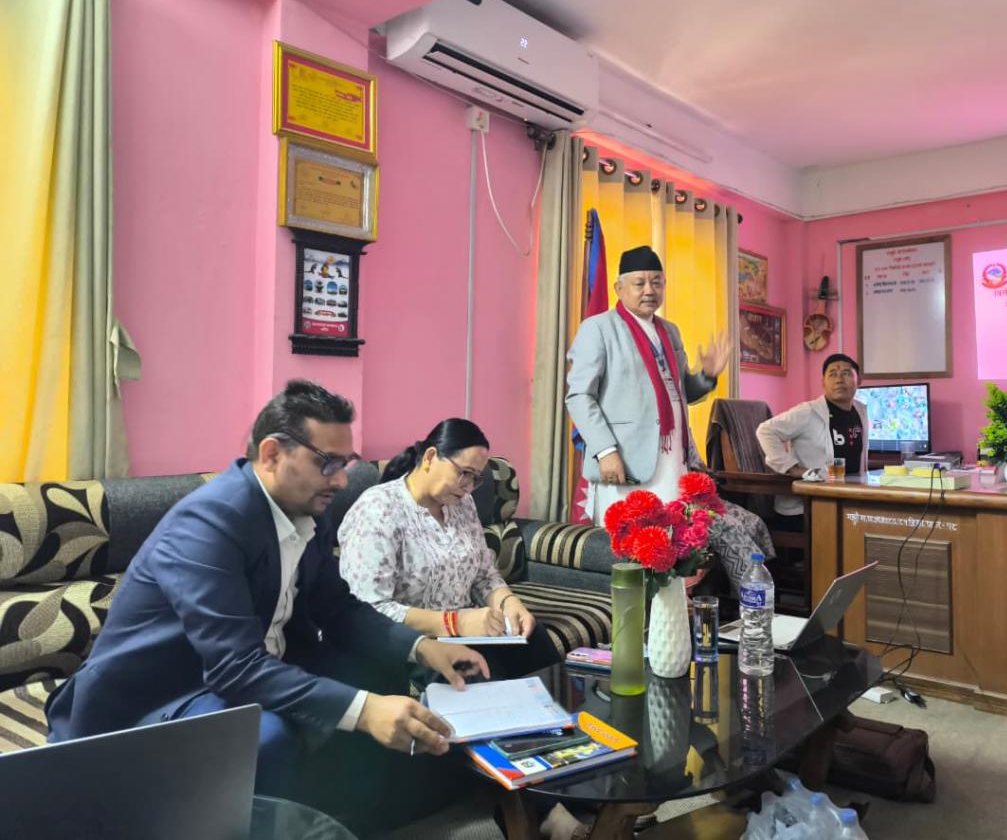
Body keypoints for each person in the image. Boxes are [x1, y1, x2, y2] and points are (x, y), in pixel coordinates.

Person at [46, 380, 488, 830]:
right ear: (272, 453)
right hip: (165, 692)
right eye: (328, 463)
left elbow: (338, 608)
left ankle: (348, 820)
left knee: (378, 671)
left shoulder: (310, 507)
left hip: (256, 667)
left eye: (346, 464)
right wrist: (365, 711)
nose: (340, 480)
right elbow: (234, 668)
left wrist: (420, 647)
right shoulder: (209, 523)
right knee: (266, 735)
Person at [338, 418, 560, 679]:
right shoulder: (378, 510)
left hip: (468, 633)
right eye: (464, 473)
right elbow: (369, 609)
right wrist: (455, 623)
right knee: (478, 674)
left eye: (475, 478)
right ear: (430, 457)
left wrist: (508, 603)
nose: (468, 487)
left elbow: (483, 575)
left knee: (535, 639)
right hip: (414, 643)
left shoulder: (462, 504)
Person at [566, 244, 730, 524]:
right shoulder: (599, 328)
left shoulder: (670, 331)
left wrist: (707, 375)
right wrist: (605, 451)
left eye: (656, 282)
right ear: (619, 288)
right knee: (628, 542)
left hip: (672, 458)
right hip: (624, 460)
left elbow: (678, 392)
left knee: (671, 537)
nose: (649, 290)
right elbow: (579, 396)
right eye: (639, 283)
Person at [756, 353, 870, 531]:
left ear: (859, 381)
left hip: (847, 499)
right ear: (823, 383)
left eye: (846, 373)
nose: (839, 379)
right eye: (832, 374)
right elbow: (765, 430)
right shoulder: (808, 412)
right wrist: (791, 467)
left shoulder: (860, 410)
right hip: (806, 507)